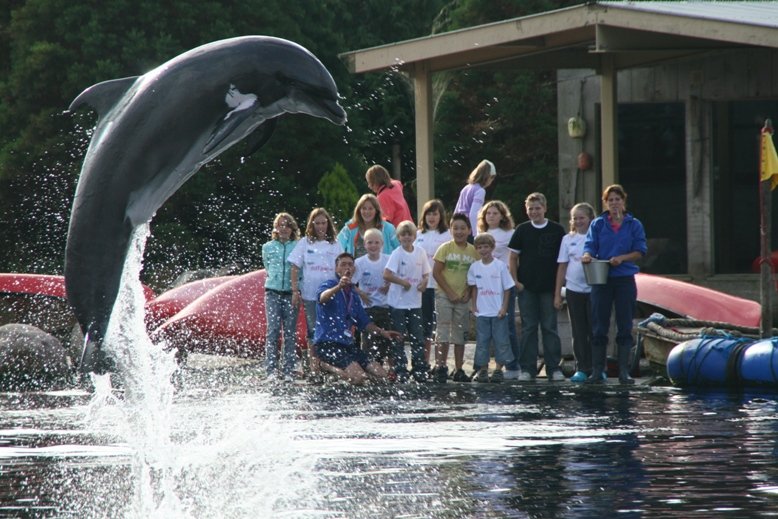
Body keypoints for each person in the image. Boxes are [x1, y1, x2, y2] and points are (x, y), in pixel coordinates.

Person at [582, 185, 647, 385]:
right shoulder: (598, 224)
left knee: (624, 324)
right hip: (602, 278)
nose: (614, 203)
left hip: (624, 278)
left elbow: (640, 250)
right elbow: (589, 246)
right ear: (605, 203)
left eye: (617, 199)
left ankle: (624, 371)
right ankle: (597, 370)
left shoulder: (633, 224)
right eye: (610, 200)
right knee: (599, 324)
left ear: (623, 201)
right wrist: (587, 256)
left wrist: (622, 258)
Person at [314, 253, 402, 385]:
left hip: (347, 345)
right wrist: (338, 287)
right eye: (343, 264)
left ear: (354, 269)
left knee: (382, 376)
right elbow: (322, 298)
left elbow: (364, 323)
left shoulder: (353, 294)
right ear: (336, 268)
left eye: (350, 265)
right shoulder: (329, 284)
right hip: (328, 344)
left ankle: (352, 374)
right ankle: (323, 365)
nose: (347, 267)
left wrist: (382, 332)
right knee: (359, 378)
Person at [508, 192, 566, 382]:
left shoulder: (557, 230)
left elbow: (562, 262)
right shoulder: (522, 230)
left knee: (550, 328)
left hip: (549, 288)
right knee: (528, 328)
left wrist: (558, 291)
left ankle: (553, 368)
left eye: (537, 208)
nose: (534, 212)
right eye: (530, 209)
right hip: (527, 288)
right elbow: (513, 257)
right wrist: (515, 281)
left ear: (545, 208)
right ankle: (528, 369)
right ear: (526, 210)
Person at [289, 208, 343, 379]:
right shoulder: (305, 243)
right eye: (317, 223)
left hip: (331, 293)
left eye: (323, 223)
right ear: (312, 224)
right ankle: (314, 367)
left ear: (328, 224)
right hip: (310, 295)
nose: (321, 226)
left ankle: (330, 365)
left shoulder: (335, 244)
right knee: (313, 330)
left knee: (331, 328)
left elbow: (342, 266)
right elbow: (294, 267)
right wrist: (295, 290)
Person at [431, 213, 480, 383]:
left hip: (463, 298)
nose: (459, 231)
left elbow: (475, 274)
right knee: (443, 332)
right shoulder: (445, 248)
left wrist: (469, 292)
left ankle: (459, 369)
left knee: (460, 333)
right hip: (444, 296)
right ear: (451, 230)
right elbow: (436, 272)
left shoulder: (473, 251)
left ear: (469, 230)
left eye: (462, 228)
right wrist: (449, 292)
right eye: (455, 228)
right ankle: (440, 366)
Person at [554, 202, 598, 383]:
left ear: (590, 218)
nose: (578, 221)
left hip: (594, 289)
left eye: (582, 218)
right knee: (578, 331)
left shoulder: (597, 237)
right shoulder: (567, 239)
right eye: (575, 218)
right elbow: (562, 267)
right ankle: (582, 368)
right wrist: (557, 293)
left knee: (595, 330)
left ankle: (598, 368)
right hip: (573, 290)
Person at [383, 220, 432, 382]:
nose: (406, 237)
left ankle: (419, 368)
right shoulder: (397, 253)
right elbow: (387, 274)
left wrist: (424, 283)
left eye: (409, 234)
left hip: (415, 302)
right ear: (398, 237)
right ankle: (400, 368)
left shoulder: (420, 252)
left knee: (417, 337)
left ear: (414, 236)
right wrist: (402, 282)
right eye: (403, 235)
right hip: (398, 304)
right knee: (399, 337)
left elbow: (426, 273)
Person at [476, 200, 520, 379]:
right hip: (485, 286)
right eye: (488, 213)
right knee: (485, 330)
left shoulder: (510, 233)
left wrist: (515, 279)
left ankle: (513, 365)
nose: (491, 216)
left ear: (502, 216)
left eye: (495, 213)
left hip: (504, 284)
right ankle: (483, 367)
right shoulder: (480, 233)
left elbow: (515, 258)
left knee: (507, 326)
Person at [468, 233, 515, 383]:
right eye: (480, 247)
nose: (483, 250)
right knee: (482, 342)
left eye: (486, 247)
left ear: (492, 247)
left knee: (501, 340)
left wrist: (504, 308)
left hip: (498, 312)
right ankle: (483, 369)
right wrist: (474, 306)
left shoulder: (500, 266)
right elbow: (474, 288)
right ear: (476, 249)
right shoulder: (474, 267)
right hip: (482, 312)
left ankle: (499, 369)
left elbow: (507, 288)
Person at [261, 212, 300, 381]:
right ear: (276, 228)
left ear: (292, 228)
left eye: (287, 225)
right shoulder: (267, 247)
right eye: (280, 225)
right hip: (272, 292)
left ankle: (288, 370)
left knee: (290, 332)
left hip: (291, 293)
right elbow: (267, 266)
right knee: (273, 330)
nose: (284, 229)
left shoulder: (298, 246)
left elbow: (300, 269)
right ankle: (271, 370)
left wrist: (296, 290)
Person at [413, 199, 451, 363]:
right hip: (423, 287)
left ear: (440, 216)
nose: (431, 217)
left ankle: (440, 363)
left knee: (441, 327)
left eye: (435, 214)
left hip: (441, 286)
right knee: (425, 326)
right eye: (428, 214)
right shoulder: (418, 235)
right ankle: (424, 362)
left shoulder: (447, 235)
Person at [354, 228, 393, 368]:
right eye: (370, 242)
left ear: (382, 244)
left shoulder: (389, 259)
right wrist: (361, 293)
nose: (373, 245)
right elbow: (350, 284)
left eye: (376, 242)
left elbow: (398, 277)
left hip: (385, 306)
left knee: (387, 341)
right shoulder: (359, 262)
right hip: (368, 307)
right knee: (369, 341)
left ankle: (389, 369)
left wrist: (390, 285)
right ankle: (369, 367)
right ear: (364, 244)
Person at [454, 159, 496, 237]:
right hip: (468, 229)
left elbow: (456, 211)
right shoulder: (480, 191)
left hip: (458, 228)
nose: (492, 180)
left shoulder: (466, 188)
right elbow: (473, 214)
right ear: (487, 176)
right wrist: (475, 234)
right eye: (492, 177)